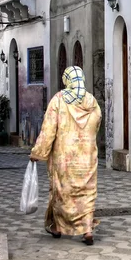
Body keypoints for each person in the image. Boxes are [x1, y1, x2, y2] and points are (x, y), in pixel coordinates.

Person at [30, 66, 102, 245]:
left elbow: (48, 130)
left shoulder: (59, 100)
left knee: (62, 192)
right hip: (86, 159)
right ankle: (87, 229)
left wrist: (38, 152)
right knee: (86, 193)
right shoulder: (92, 101)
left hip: (64, 159)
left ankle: (57, 227)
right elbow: (96, 125)